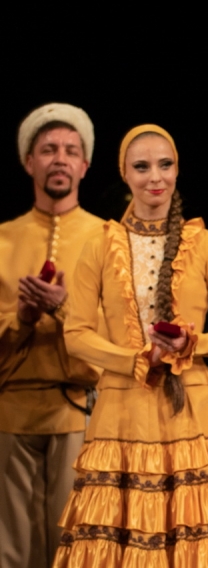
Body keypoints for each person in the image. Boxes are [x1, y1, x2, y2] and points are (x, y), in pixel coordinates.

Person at [54, 125, 208, 567]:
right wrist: (136, 359)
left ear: (177, 169)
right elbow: (76, 334)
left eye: (165, 165)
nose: (155, 177)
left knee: (194, 538)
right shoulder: (98, 246)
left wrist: (191, 342)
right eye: (141, 167)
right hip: (120, 411)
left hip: (191, 412)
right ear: (124, 174)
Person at [0, 103, 103, 568]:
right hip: (10, 412)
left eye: (70, 150)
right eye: (48, 150)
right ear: (29, 162)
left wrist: (63, 309)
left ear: (84, 165)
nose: (59, 158)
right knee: (11, 551)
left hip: (80, 411)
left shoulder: (108, 239)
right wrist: (21, 318)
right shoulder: (3, 238)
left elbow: (123, 335)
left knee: (75, 549)